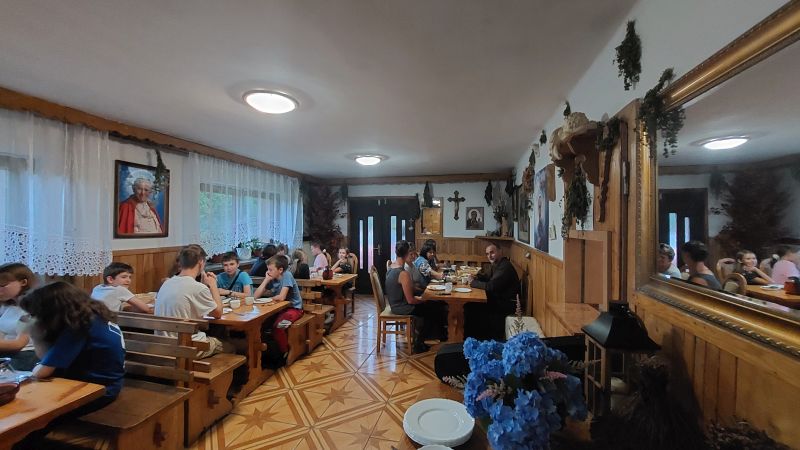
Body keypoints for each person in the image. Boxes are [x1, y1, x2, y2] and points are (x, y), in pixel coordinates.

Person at [21, 282, 125, 412]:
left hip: (97, 391)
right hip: (108, 383)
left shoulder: (79, 327)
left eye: (35, 315)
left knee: (29, 408)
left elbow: (41, 372)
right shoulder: (93, 316)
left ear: (52, 311)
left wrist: (34, 332)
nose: (34, 319)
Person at [155, 245, 229, 358]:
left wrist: (204, 286)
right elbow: (218, 313)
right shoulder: (197, 287)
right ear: (201, 262)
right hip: (186, 347)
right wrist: (213, 285)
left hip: (164, 345)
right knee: (231, 347)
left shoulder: (167, 283)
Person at [386, 241, 442, 354]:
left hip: (395, 305)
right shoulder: (403, 273)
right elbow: (410, 300)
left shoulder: (391, 267)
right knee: (432, 309)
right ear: (407, 253)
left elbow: (408, 290)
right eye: (411, 253)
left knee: (431, 305)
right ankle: (419, 343)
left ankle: (427, 337)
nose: (413, 255)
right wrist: (423, 300)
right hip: (401, 307)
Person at [466, 244, 520, 340]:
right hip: (498, 299)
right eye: (487, 254)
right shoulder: (497, 264)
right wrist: (476, 277)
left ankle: (478, 338)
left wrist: (473, 283)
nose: (489, 256)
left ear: (500, 251)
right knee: (470, 305)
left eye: (492, 252)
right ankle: (472, 336)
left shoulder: (505, 267)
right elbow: (487, 276)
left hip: (506, 304)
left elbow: (491, 286)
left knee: (471, 306)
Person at [253, 256, 304, 356]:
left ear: (280, 270)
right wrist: (266, 280)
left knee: (279, 326)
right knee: (261, 323)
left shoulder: (287, 275)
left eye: (270, 270)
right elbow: (255, 296)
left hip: (295, 309)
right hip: (280, 309)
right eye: (267, 269)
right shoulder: (272, 278)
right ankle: (267, 352)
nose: (268, 272)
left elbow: (281, 297)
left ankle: (284, 352)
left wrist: (270, 298)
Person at [0, 263, 38, 370]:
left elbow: (19, 344)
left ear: (23, 282)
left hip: (26, 354)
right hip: (7, 353)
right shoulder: (8, 307)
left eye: (2, 285)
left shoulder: (31, 309)